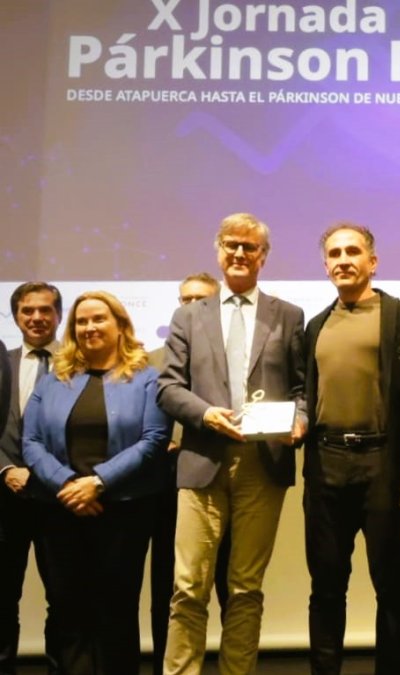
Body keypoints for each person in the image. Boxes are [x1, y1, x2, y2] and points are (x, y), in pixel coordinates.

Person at [158, 212, 307, 675]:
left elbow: (302, 389)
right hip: (203, 458)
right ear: (218, 251)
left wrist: (300, 420)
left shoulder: (289, 315)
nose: (240, 254)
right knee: (188, 586)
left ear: (263, 256)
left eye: (250, 247)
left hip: (262, 464)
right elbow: (168, 387)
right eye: (231, 245)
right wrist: (205, 413)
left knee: (245, 588)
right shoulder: (188, 316)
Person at [22, 291, 169, 674]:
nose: (89, 327)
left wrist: (98, 483)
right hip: (60, 509)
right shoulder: (54, 380)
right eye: (81, 322)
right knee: (67, 605)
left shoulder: (148, 379)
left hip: (124, 510)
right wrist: (69, 484)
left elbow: (153, 439)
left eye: (99, 319)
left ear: (121, 326)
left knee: (116, 606)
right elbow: (31, 442)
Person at [303, 224, 400, 674]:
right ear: (326, 264)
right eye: (334, 253)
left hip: (381, 463)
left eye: (353, 251)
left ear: (373, 261)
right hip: (326, 464)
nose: (343, 259)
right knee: (326, 586)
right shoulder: (315, 325)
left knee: (390, 584)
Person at [145, 273, 224, 675]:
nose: (191, 306)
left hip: (226, 477)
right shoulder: (153, 359)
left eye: (201, 299)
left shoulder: (235, 357)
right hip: (166, 486)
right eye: (185, 299)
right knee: (174, 585)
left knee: (231, 585)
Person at [0, 282, 63, 674]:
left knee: (64, 596)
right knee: (3, 594)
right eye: (27, 311)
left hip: (61, 498)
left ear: (59, 315)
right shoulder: (2, 361)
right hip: (5, 497)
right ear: (16, 316)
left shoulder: (78, 363)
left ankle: (62, 667)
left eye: (45, 310)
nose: (36, 317)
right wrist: (5, 468)